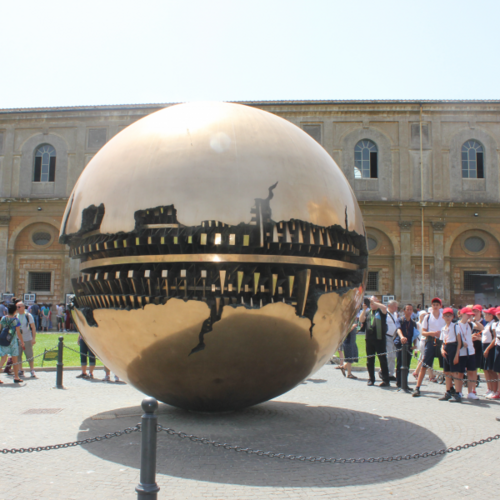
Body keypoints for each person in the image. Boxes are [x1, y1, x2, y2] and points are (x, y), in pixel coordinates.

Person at [413, 298, 446, 397]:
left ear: (440, 306)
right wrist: (432, 333)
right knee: (424, 365)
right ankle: (417, 387)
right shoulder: (427, 317)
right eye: (433, 305)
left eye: (437, 304)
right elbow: (423, 332)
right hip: (431, 341)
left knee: (446, 366)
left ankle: (449, 389)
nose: (435, 306)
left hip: (441, 341)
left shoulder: (444, 317)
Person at [359, 295, 390, 387]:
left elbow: (384, 307)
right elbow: (361, 320)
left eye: (373, 301)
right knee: (370, 360)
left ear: (377, 302)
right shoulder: (368, 312)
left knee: (382, 360)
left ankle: (385, 380)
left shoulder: (381, 311)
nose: (371, 303)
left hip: (380, 339)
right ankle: (371, 379)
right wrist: (364, 309)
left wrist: (373, 302)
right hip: (369, 339)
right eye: (370, 301)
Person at [439, 307, 462, 402]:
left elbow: (459, 342)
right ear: (443, 317)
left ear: (453, 317)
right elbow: (443, 342)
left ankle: (457, 393)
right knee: (446, 372)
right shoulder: (443, 328)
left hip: (453, 348)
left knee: (454, 372)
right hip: (446, 348)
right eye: (446, 316)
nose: (448, 318)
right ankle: (448, 391)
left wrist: (457, 354)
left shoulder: (456, 326)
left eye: (449, 316)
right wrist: (442, 349)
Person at [456, 307, 479, 400]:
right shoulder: (456, 325)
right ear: (462, 314)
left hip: (471, 351)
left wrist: (473, 320)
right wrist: (461, 342)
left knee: (471, 372)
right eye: (467, 314)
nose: (469, 316)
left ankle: (470, 392)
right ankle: (459, 391)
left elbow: (482, 328)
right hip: (461, 352)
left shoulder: (471, 324)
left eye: (470, 314)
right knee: (460, 373)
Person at [0, 302, 25, 384]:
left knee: (3, 359)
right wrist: (22, 342)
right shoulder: (16, 320)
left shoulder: (3, 318)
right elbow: (18, 332)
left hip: (4, 340)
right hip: (13, 342)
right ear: (15, 311)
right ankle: (16, 377)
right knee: (15, 360)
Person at [394, 304, 417, 391]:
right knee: (400, 363)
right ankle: (399, 383)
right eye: (407, 309)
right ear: (404, 311)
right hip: (400, 344)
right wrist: (402, 337)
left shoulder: (413, 323)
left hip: (409, 346)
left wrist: (415, 345)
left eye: (411, 309)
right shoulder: (400, 320)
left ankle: (405, 383)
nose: (409, 311)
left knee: (407, 365)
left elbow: (415, 334)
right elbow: (398, 329)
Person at [15, 302, 37, 378]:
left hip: (27, 338)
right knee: (18, 356)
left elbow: (33, 327)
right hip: (18, 339)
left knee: (29, 355)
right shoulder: (16, 316)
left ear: (24, 307)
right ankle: (20, 370)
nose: (18, 308)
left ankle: (32, 370)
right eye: (17, 307)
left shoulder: (28, 316)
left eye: (19, 307)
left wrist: (33, 338)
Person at [481, 308, 498, 399]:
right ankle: (490, 389)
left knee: (492, 370)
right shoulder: (488, 324)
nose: (485, 316)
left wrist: (487, 349)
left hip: (490, 348)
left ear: (492, 315)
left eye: (487, 314)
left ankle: (495, 390)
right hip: (485, 346)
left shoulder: (493, 324)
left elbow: (494, 338)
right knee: (487, 370)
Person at [380, 300, 398, 382]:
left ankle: (391, 373)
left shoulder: (395, 314)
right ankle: (382, 370)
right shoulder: (385, 314)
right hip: (387, 336)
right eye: (395, 306)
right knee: (389, 355)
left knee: (393, 356)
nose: (396, 308)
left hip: (394, 337)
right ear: (389, 306)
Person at [471, 305, 486, 379]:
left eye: (477, 311)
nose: (475, 313)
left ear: (480, 312)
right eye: (474, 311)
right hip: (472, 344)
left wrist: (479, 338)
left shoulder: (484, 321)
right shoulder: (470, 321)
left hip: (481, 345)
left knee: (480, 364)